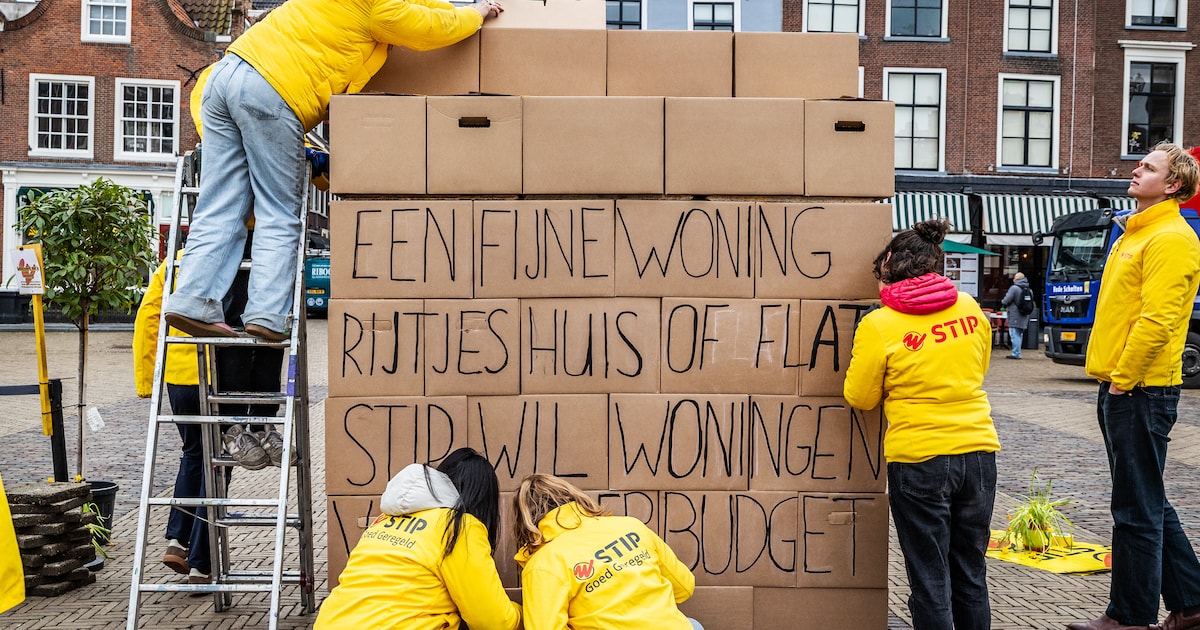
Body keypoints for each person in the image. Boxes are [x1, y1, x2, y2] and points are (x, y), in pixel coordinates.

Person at [163, 0, 504, 341]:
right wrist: (476, 13)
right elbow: (430, 28)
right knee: (278, 212)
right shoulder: (380, 8)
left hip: (224, 77)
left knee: (220, 204)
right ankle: (267, 314)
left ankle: (193, 299)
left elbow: (423, 6)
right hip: (272, 92)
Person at [843, 218, 1001, 630]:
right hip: (979, 453)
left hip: (920, 459)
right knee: (970, 572)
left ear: (890, 264)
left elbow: (860, 398)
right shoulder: (969, 308)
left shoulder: (879, 324)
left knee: (930, 578)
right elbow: (978, 368)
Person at [1067, 143, 1200, 630]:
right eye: (1138, 162)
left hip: (1141, 388)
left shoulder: (1170, 238)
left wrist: (1124, 380)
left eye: (1148, 167)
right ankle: (1190, 604)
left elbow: (1158, 320)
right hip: (1124, 386)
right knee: (1147, 499)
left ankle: (1129, 618)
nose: (1135, 168)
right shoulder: (1135, 232)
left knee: (1134, 509)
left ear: (1173, 186)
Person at [134, 247, 285, 587]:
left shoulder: (174, 263)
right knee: (218, 464)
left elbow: (148, 316)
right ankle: (201, 563)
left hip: (178, 377)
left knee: (192, 453)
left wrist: (147, 381)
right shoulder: (231, 262)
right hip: (212, 377)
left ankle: (177, 539)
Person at [314, 448, 521, 630]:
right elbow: (494, 622)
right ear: (482, 500)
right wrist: (525, 611)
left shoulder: (384, 519)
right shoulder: (458, 526)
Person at [512, 474, 701, 630]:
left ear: (525, 522)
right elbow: (684, 588)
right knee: (692, 624)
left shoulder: (543, 564)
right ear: (574, 496)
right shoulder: (631, 526)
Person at [999, 271, 1032, 359]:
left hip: (1015, 315)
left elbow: (1007, 300)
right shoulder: (1028, 289)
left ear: (1016, 279)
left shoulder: (1014, 288)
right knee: (1019, 334)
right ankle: (1017, 351)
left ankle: (1016, 353)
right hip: (1024, 315)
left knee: (1014, 334)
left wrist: (1002, 302)